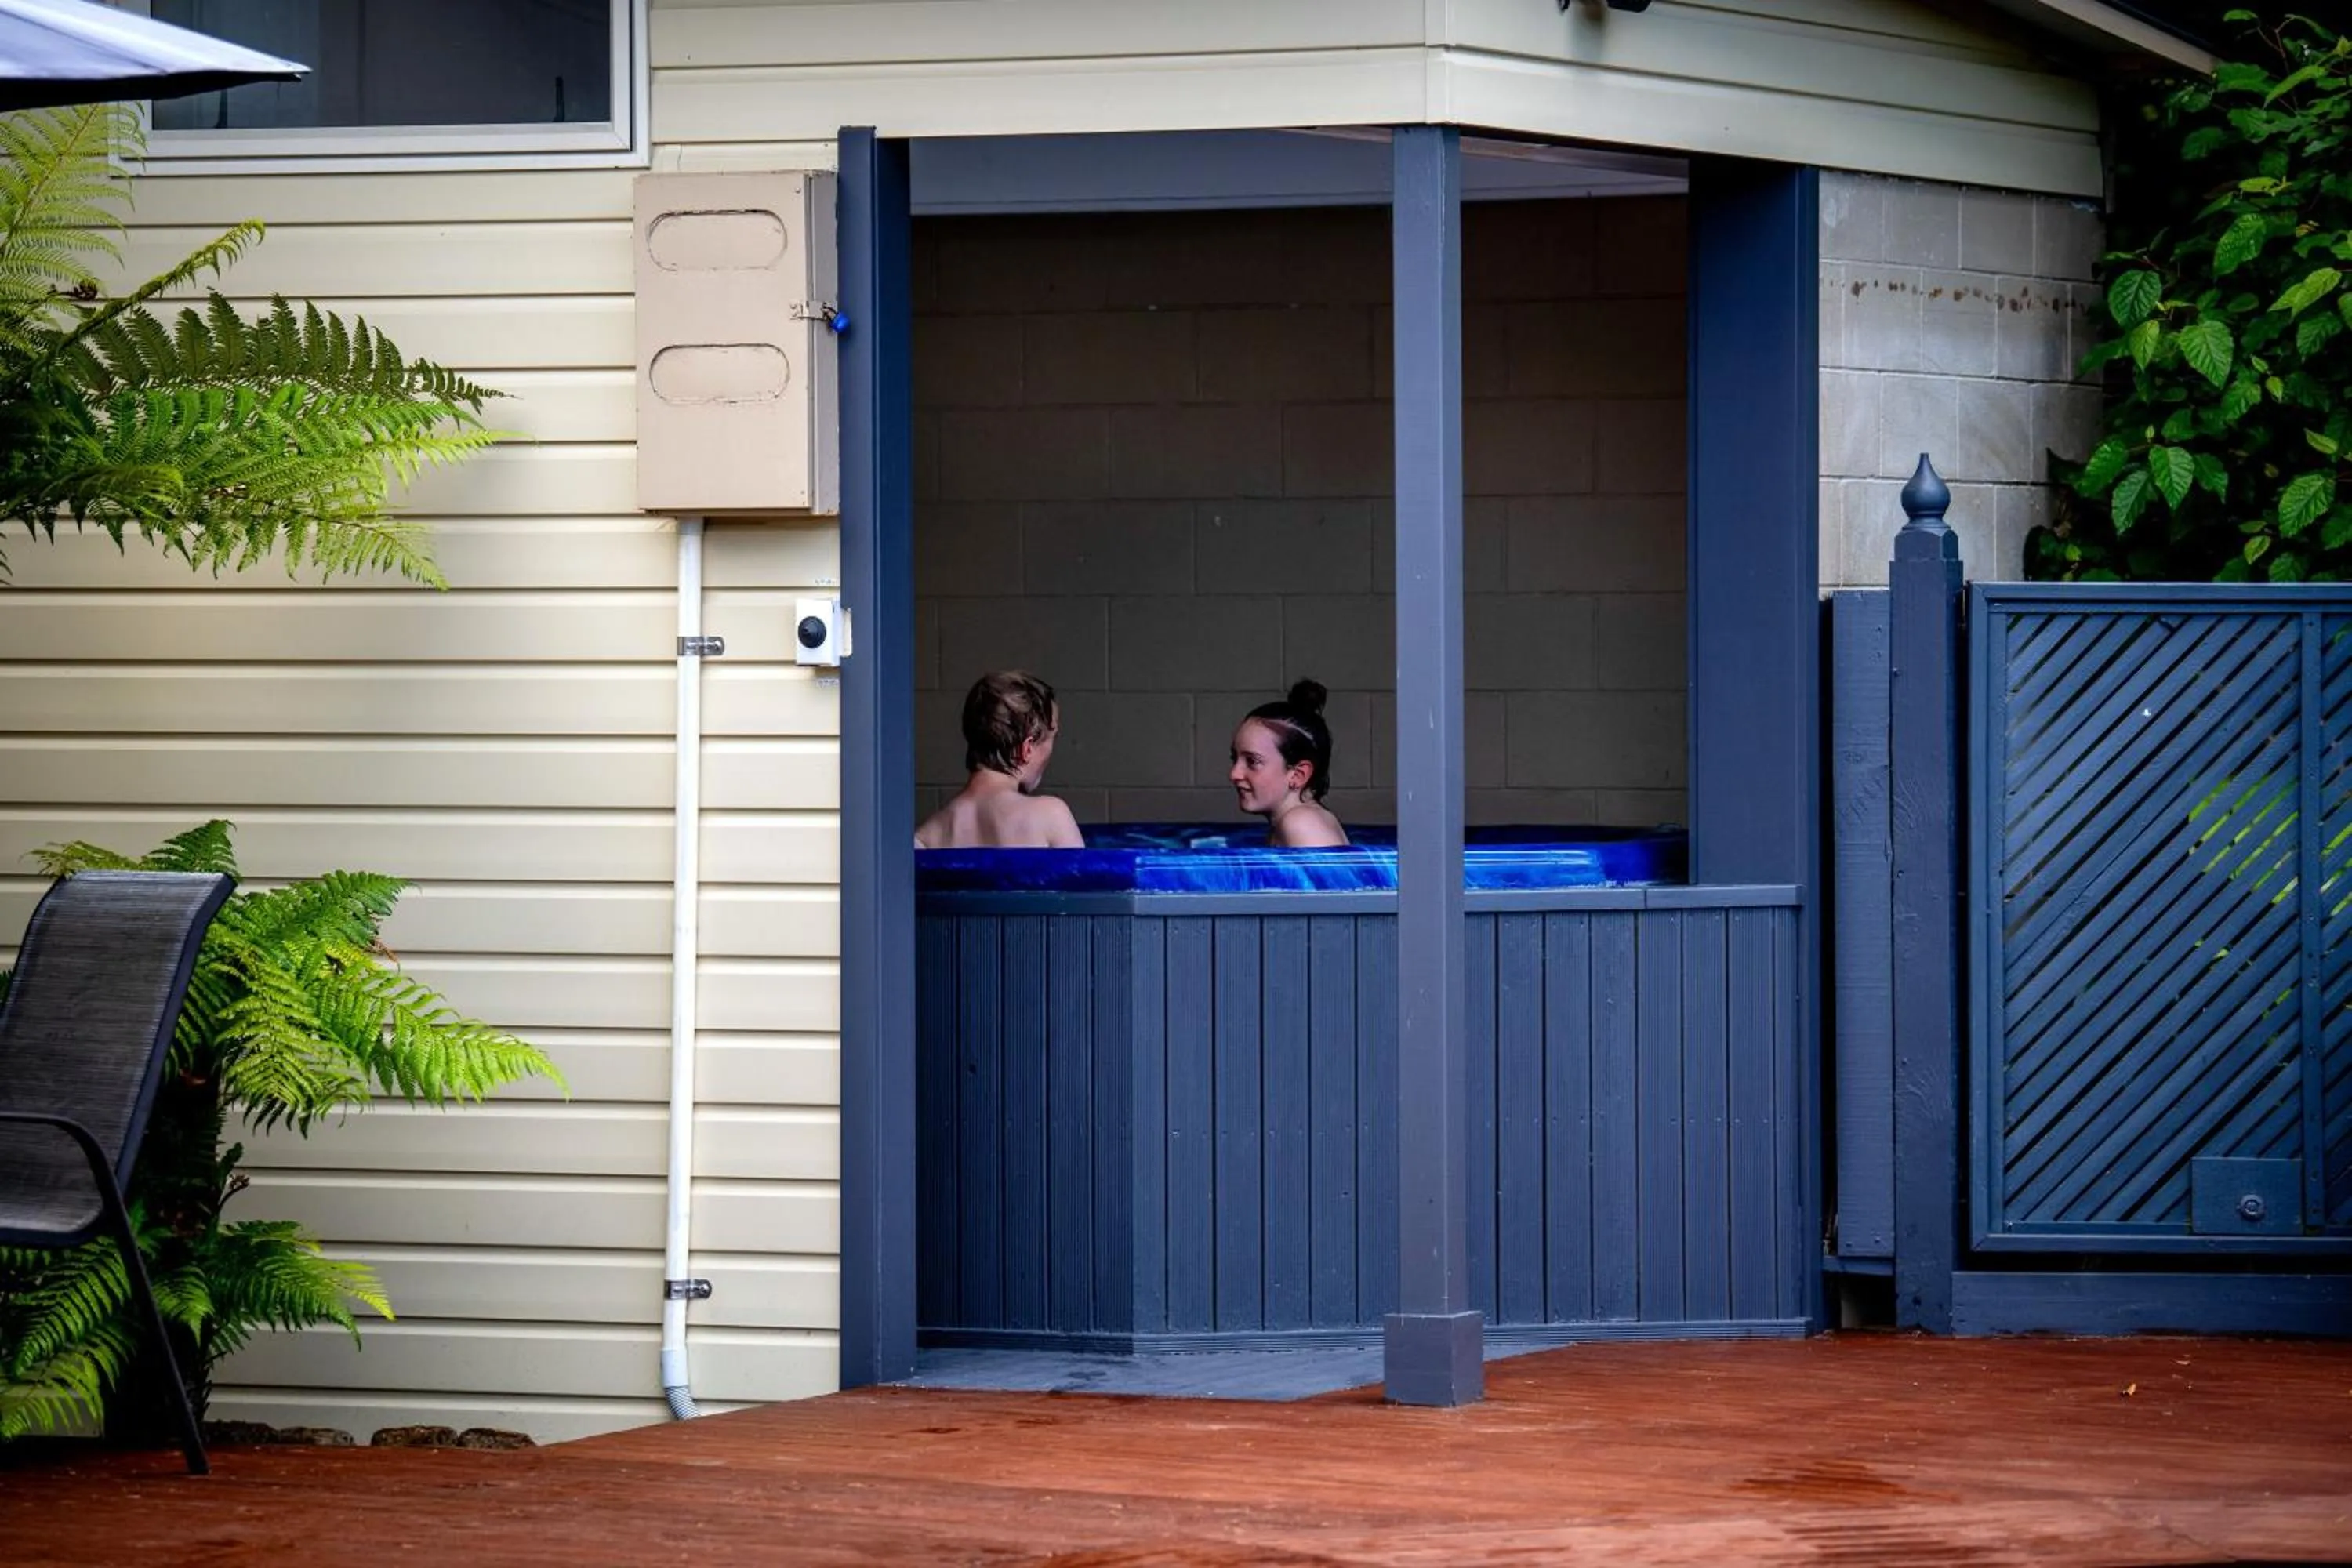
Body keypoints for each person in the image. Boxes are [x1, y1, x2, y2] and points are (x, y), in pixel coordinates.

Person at [915, 670, 1085, 850]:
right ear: (1027, 749)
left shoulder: (926, 837)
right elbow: (1084, 877)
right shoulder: (1051, 816)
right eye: (1053, 736)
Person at [1229, 679, 1348, 848]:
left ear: (1298, 775)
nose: (1234, 774)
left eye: (1252, 761)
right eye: (1235, 759)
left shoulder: (1302, 824)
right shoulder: (1294, 822)